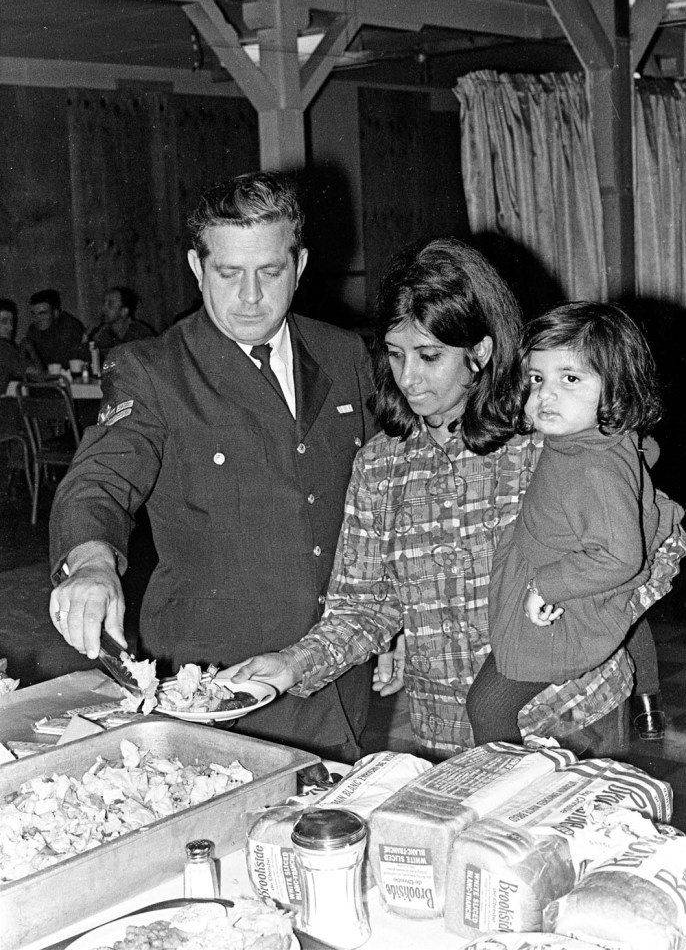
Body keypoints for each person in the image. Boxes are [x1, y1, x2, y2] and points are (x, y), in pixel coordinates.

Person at [222, 239, 686, 760]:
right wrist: (292, 665)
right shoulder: (381, 467)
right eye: (395, 355)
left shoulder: (548, 438)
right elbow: (364, 607)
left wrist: (593, 626)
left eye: (429, 356)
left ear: (480, 352)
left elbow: (660, 543)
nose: (408, 378)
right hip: (451, 735)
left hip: (576, 718)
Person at [48, 171, 377, 760]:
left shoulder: (343, 352)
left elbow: (380, 501)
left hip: (335, 670)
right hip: (217, 682)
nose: (250, 295)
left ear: (299, 266)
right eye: (228, 273)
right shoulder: (154, 369)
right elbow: (102, 476)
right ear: (198, 269)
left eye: (270, 272)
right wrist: (91, 561)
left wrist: (389, 626)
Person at [466, 302, 682, 746]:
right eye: (537, 378)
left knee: (487, 706)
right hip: (558, 563)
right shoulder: (591, 437)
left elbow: (620, 558)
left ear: (616, 390)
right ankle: (646, 703)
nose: (546, 395)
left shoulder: (592, 469)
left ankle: (500, 790)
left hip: (565, 596)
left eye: (571, 379)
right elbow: (644, 449)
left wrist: (546, 587)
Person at [20, 289, 84, 372]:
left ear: (56, 313)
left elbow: (60, 363)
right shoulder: (33, 329)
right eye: (33, 314)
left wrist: (32, 351)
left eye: (42, 313)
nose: (37, 319)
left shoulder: (69, 327)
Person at [87, 286, 156, 360]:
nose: (103, 308)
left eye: (110, 304)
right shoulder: (103, 332)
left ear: (124, 311)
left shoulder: (141, 334)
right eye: (104, 303)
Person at [0, 299, 25, 393]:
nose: (11, 327)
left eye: (12, 321)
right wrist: (30, 348)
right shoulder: (4, 347)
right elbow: (39, 375)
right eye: (4, 322)